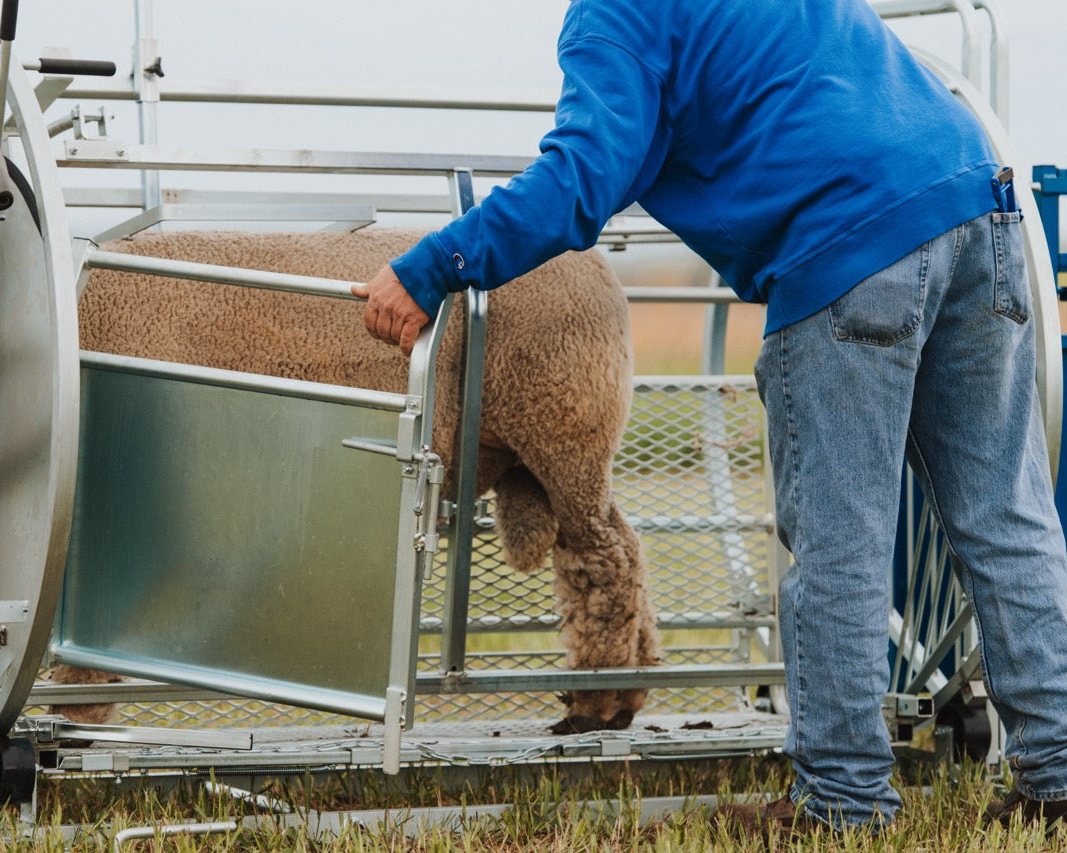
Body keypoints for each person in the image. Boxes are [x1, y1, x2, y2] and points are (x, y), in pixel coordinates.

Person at [351, 0, 1067, 836]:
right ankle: (1058, 777)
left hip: (847, 248)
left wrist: (431, 267)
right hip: (980, 209)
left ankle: (844, 800)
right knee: (1006, 517)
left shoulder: (614, 16)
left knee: (840, 542)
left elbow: (579, 180)